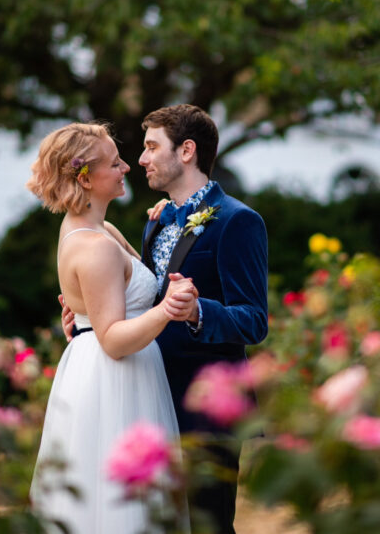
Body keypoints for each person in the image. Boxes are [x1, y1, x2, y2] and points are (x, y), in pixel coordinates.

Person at [63, 105, 269, 533]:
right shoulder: (157, 222)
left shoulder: (238, 222)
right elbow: (143, 295)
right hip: (144, 397)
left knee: (208, 526)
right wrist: (87, 315)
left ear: (187, 151)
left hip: (206, 408)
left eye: (152, 147)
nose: (141, 159)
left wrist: (198, 311)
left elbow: (253, 320)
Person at [27, 123, 196, 534]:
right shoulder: (96, 246)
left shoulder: (98, 231)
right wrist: (169, 310)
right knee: (122, 504)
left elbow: (140, 284)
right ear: (84, 176)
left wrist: (167, 218)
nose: (126, 167)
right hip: (115, 375)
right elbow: (114, 340)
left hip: (109, 368)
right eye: (114, 162)